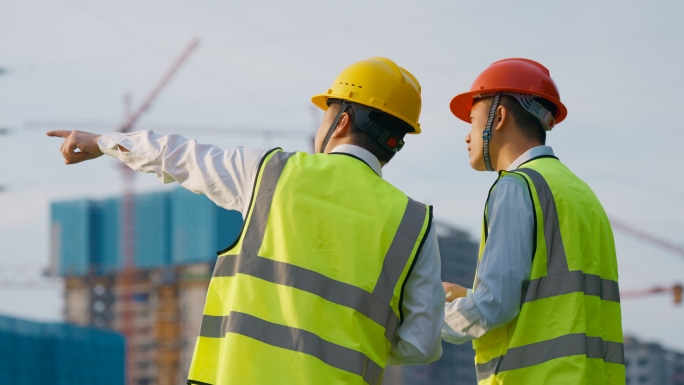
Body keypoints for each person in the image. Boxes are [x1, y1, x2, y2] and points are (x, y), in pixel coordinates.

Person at [48, 57, 444, 385]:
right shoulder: (415, 224)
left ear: (342, 121)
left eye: (326, 114)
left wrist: (102, 142)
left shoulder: (271, 173)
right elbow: (422, 345)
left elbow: (177, 156)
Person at [441, 58, 624, 384]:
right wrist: (469, 295)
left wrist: (425, 318)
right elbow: (552, 302)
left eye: (471, 120)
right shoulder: (582, 194)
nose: (466, 136)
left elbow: (493, 306)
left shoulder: (516, 186)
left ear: (498, 117)